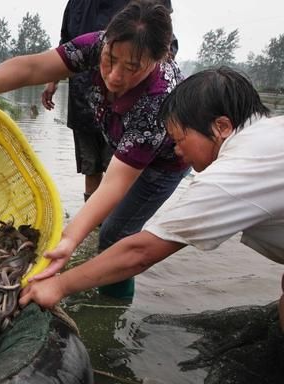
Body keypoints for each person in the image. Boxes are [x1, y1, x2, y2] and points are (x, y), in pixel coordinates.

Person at [0, 0, 188, 299]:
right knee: (103, 223)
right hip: (123, 138)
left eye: (131, 68)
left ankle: (113, 308)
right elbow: (32, 66)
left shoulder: (157, 99)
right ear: (106, 42)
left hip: (164, 163)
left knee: (115, 235)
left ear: (158, 59)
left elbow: (116, 182)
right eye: (110, 59)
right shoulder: (97, 44)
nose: (114, 76)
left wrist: (69, 238)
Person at [19, 67, 284, 330]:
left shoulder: (233, 173)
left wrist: (59, 285)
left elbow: (141, 252)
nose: (177, 150)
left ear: (222, 126)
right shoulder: (271, 133)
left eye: (179, 139)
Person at [42, 0, 176, 204]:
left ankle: (110, 227)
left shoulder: (150, 105)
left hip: (127, 106)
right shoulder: (77, 4)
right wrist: (53, 78)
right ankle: (93, 226)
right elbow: (66, 41)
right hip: (84, 95)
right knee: (90, 166)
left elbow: (165, 43)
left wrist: (147, 75)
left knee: (118, 169)